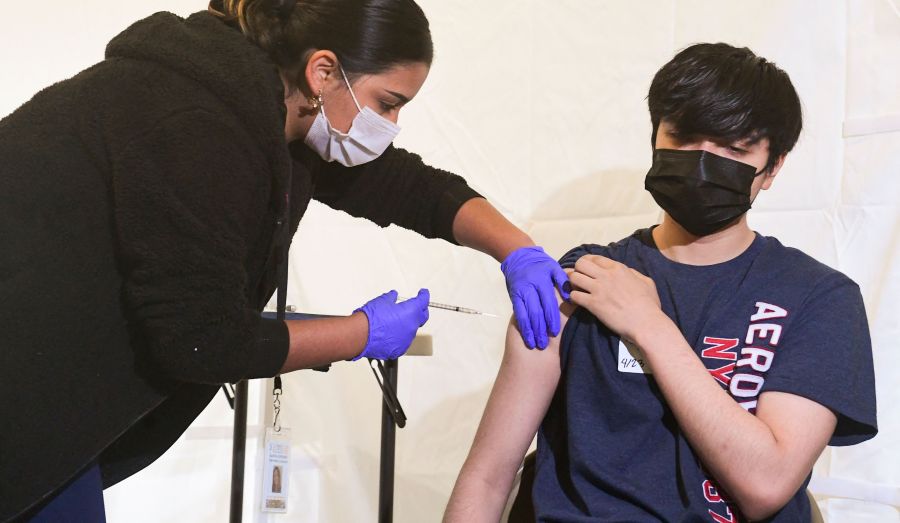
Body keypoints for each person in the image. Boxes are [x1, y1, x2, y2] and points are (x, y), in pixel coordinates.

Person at [0, 0, 569, 520]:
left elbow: (409, 188)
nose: (391, 127)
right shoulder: (196, 125)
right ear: (323, 72)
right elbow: (203, 341)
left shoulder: (276, 115)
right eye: (388, 104)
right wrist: (359, 335)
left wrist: (517, 250)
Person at [445, 43, 877, 522]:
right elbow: (487, 477)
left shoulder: (817, 297)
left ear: (772, 167)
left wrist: (648, 326)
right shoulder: (581, 279)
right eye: (685, 138)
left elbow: (766, 483)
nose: (703, 162)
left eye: (734, 149)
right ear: (656, 138)